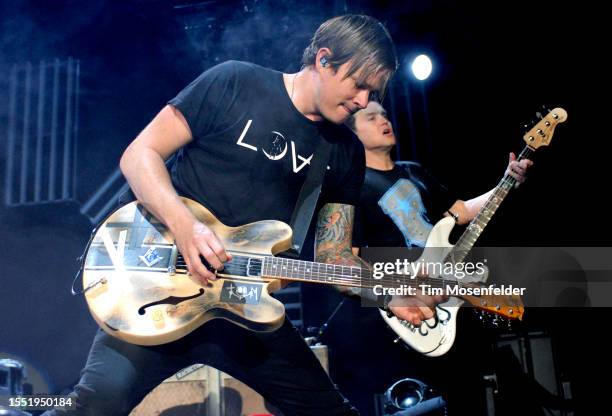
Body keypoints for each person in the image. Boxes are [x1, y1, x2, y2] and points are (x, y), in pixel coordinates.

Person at [44, 15, 444, 416]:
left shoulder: (344, 152)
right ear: (324, 60)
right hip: (159, 290)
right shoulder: (233, 82)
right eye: (359, 85)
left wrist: (389, 293)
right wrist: (186, 228)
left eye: (372, 92)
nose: (363, 101)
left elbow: (333, 256)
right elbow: (139, 155)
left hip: (244, 309)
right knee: (93, 407)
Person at [348, 101, 532, 314]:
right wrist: (390, 290)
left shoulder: (412, 170)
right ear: (353, 134)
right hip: (406, 296)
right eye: (372, 117)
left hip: (445, 281)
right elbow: (349, 256)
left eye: (384, 114)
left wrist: (506, 182)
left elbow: (460, 212)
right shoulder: (353, 185)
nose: (384, 120)